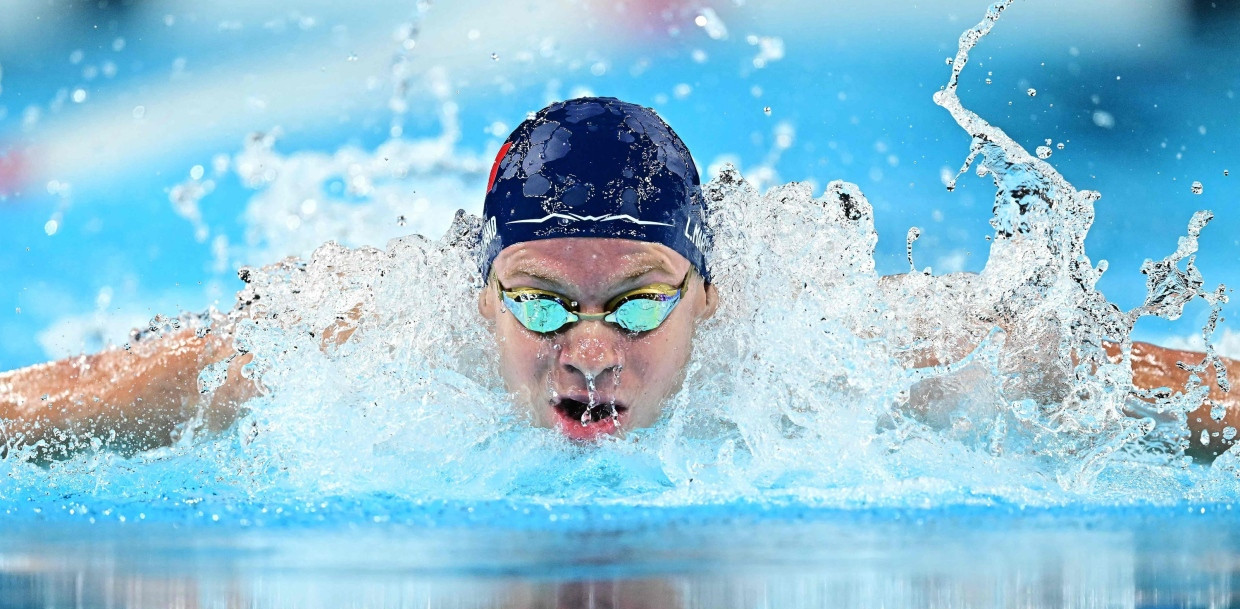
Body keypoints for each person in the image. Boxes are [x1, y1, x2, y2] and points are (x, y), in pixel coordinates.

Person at [0, 97, 1236, 461]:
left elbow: (1124, 381)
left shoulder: (858, 354)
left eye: (640, 298)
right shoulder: (355, 350)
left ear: (713, 295)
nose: (588, 350)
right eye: (538, 300)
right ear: (476, 297)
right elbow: (80, 396)